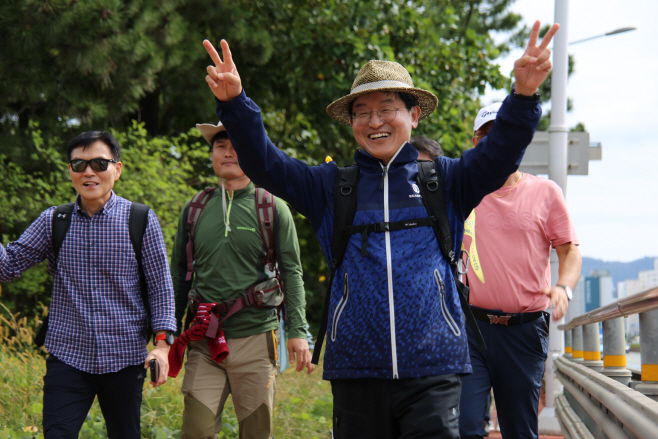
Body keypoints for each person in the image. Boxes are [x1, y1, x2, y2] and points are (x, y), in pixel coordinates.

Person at [202, 20, 558, 438]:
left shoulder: (446, 182)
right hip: (356, 369)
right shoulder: (331, 187)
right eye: (363, 112)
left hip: (435, 368)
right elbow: (266, 164)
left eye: (387, 108)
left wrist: (524, 95)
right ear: (351, 121)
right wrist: (236, 104)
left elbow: (501, 154)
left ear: (414, 114)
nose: (375, 122)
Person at [0, 131, 176, 439]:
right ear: (70, 171)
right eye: (79, 164)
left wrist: (162, 347)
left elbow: (161, 287)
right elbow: (8, 265)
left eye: (98, 162)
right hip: (67, 356)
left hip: (124, 357)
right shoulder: (54, 220)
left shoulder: (140, 219)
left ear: (117, 169)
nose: (89, 171)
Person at [169, 121, 313, 439]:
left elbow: (292, 272)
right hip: (202, 340)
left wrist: (298, 331)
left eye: (237, 146)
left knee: (256, 434)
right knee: (195, 432)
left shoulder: (272, 207)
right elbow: (178, 274)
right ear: (212, 155)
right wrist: (167, 331)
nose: (229, 152)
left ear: (251, 152)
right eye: (221, 146)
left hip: (256, 339)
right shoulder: (194, 209)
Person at [458, 102, 582, 439]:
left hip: (524, 332)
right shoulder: (463, 190)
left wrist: (563, 288)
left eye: (503, 133)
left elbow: (569, 251)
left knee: (519, 430)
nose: (495, 140)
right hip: (472, 327)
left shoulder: (545, 192)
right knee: (465, 427)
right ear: (475, 142)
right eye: (486, 134)